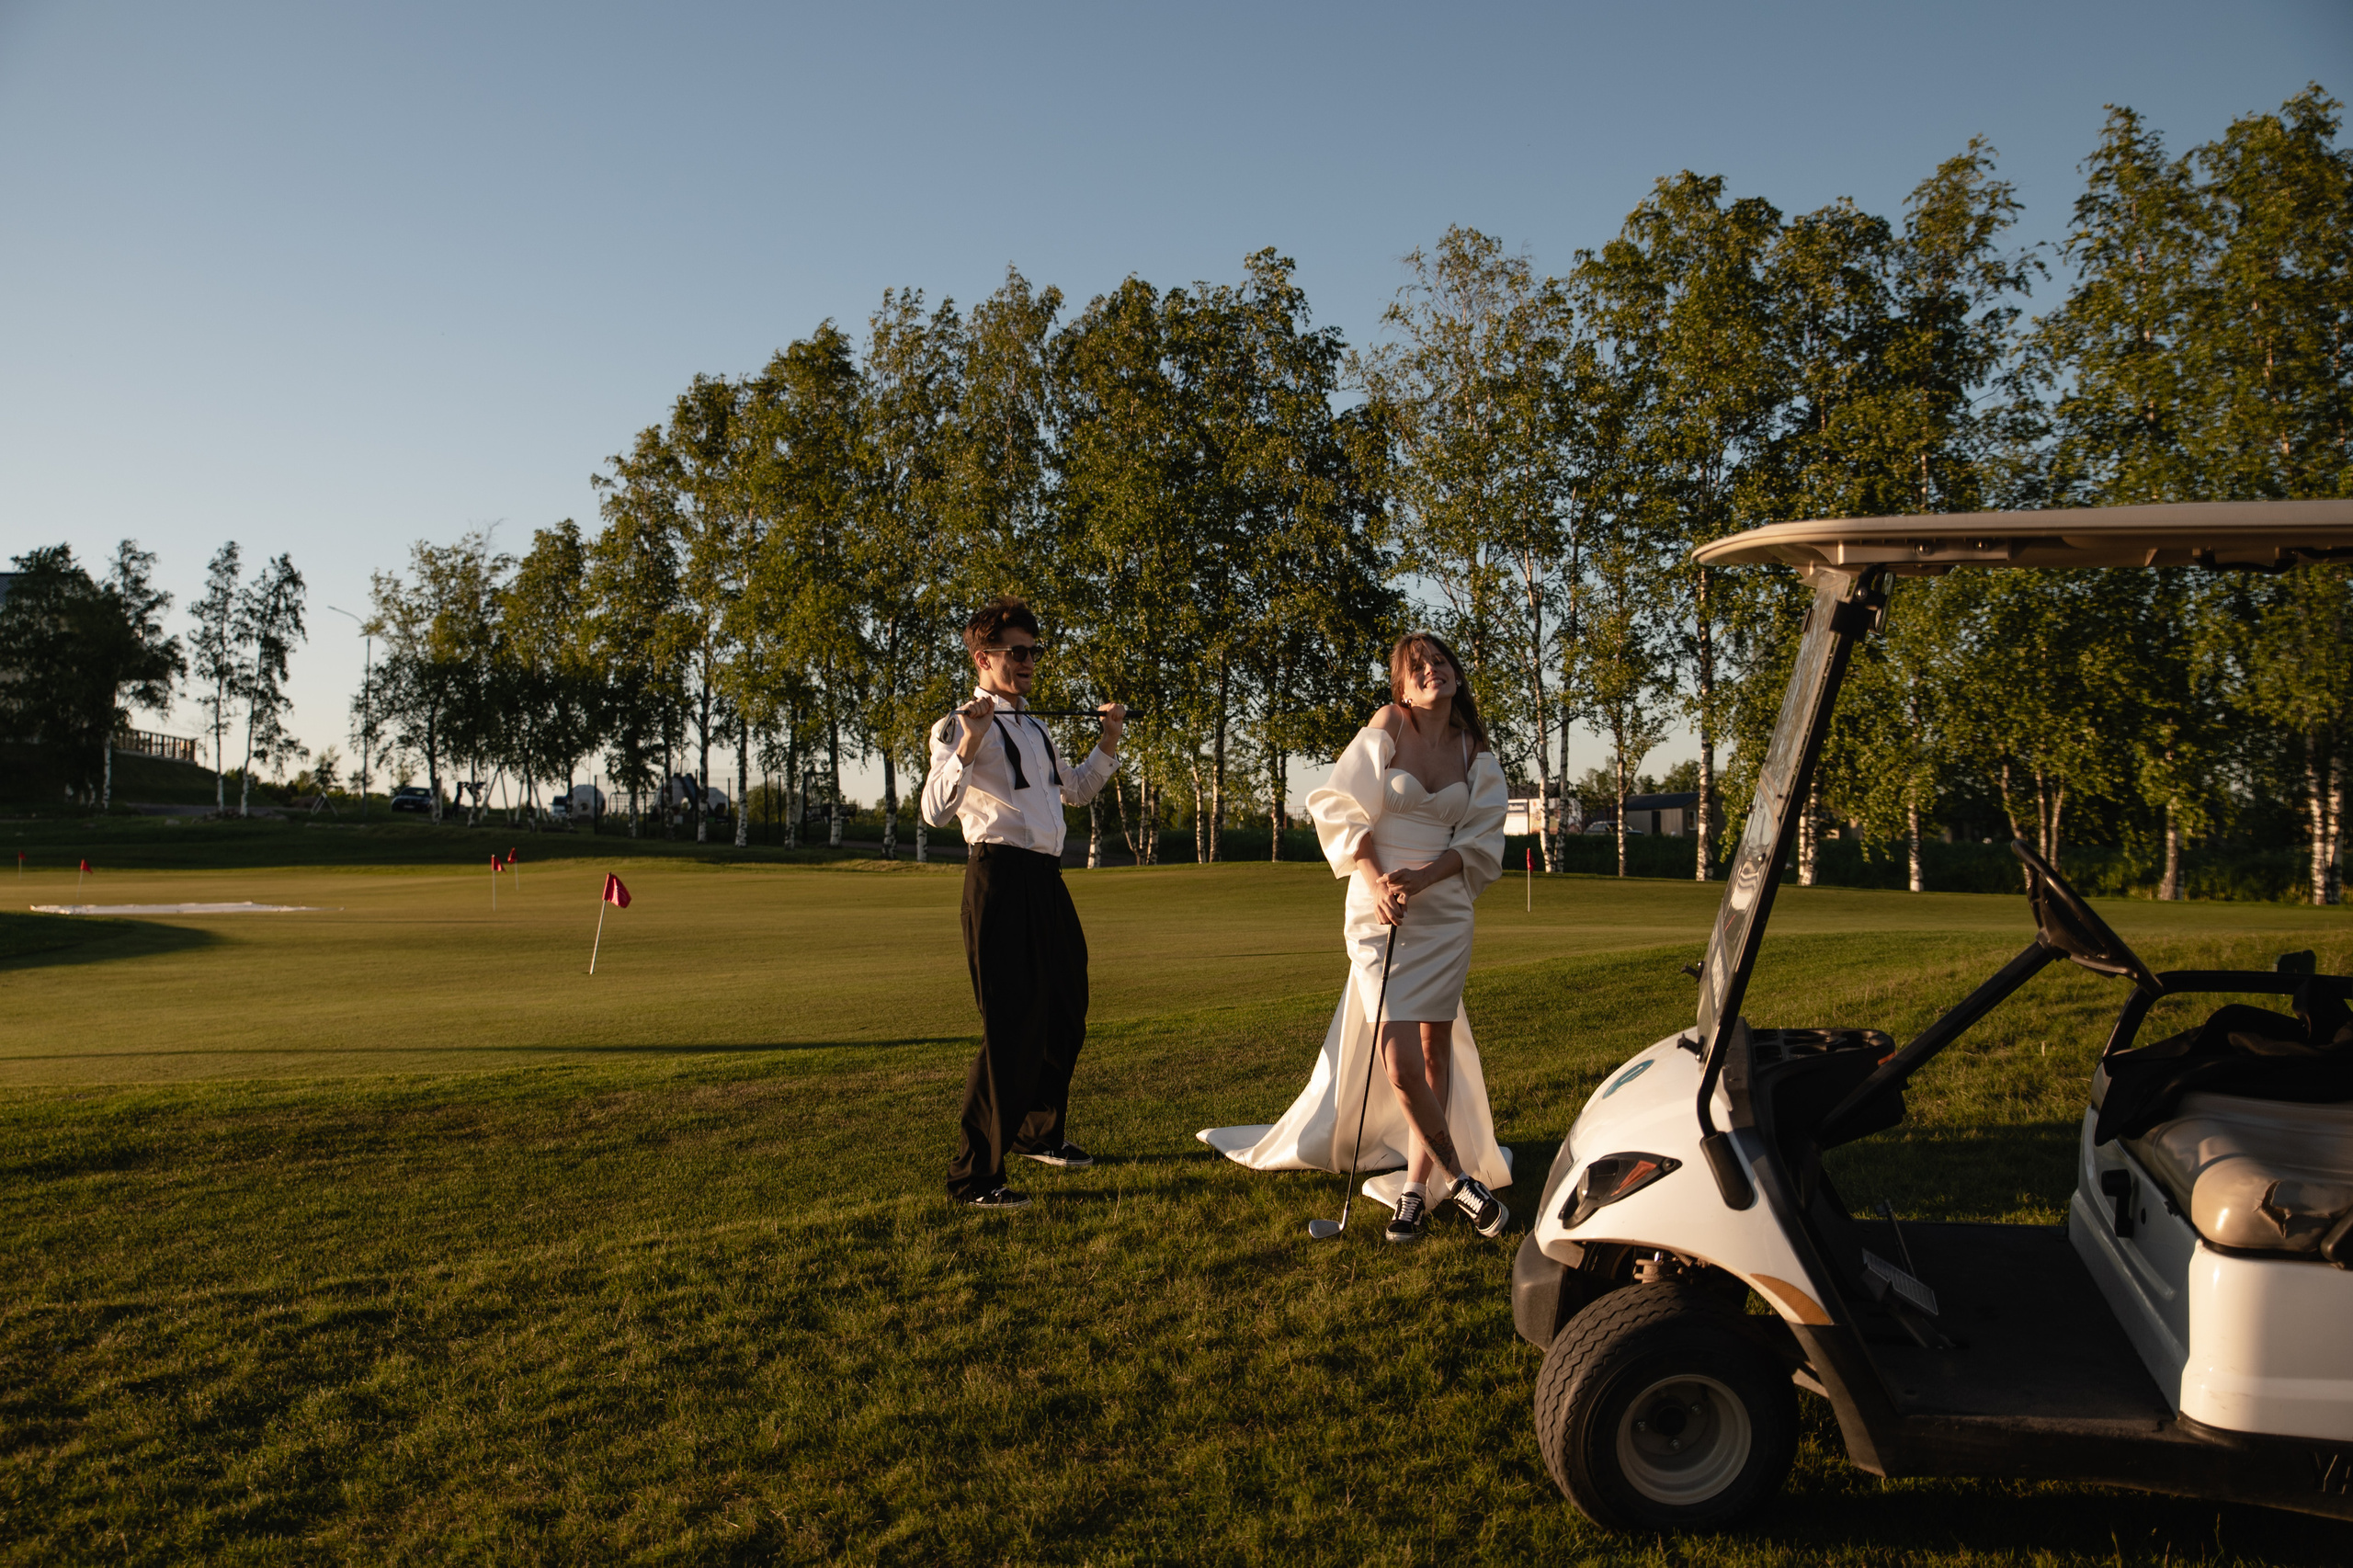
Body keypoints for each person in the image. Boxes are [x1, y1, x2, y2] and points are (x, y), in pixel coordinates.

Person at [1197, 631, 1512, 1244]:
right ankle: (1464, 1182)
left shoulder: (1475, 749)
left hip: (1442, 911)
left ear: (1456, 674)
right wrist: (1377, 882)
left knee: (1433, 1054)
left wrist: (1422, 877)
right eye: (1417, 667)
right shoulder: (1388, 724)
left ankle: (1416, 1193)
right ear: (1401, 685)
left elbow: (1479, 843)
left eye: (1440, 662)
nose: (1431, 672)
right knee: (1399, 1066)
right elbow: (1341, 808)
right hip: (1377, 910)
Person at [923, 597, 1125, 1211]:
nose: (1031, 661)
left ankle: (1040, 1134)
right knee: (1010, 1026)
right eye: (1018, 652)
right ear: (984, 659)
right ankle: (974, 1177)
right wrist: (969, 743)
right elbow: (934, 810)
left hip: (1045, 879)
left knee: (1066, 1010)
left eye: (1035, 651)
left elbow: (1078, 792)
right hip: (998, 879)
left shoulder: (1036, 726)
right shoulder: (955, 725)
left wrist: (1108, 739)